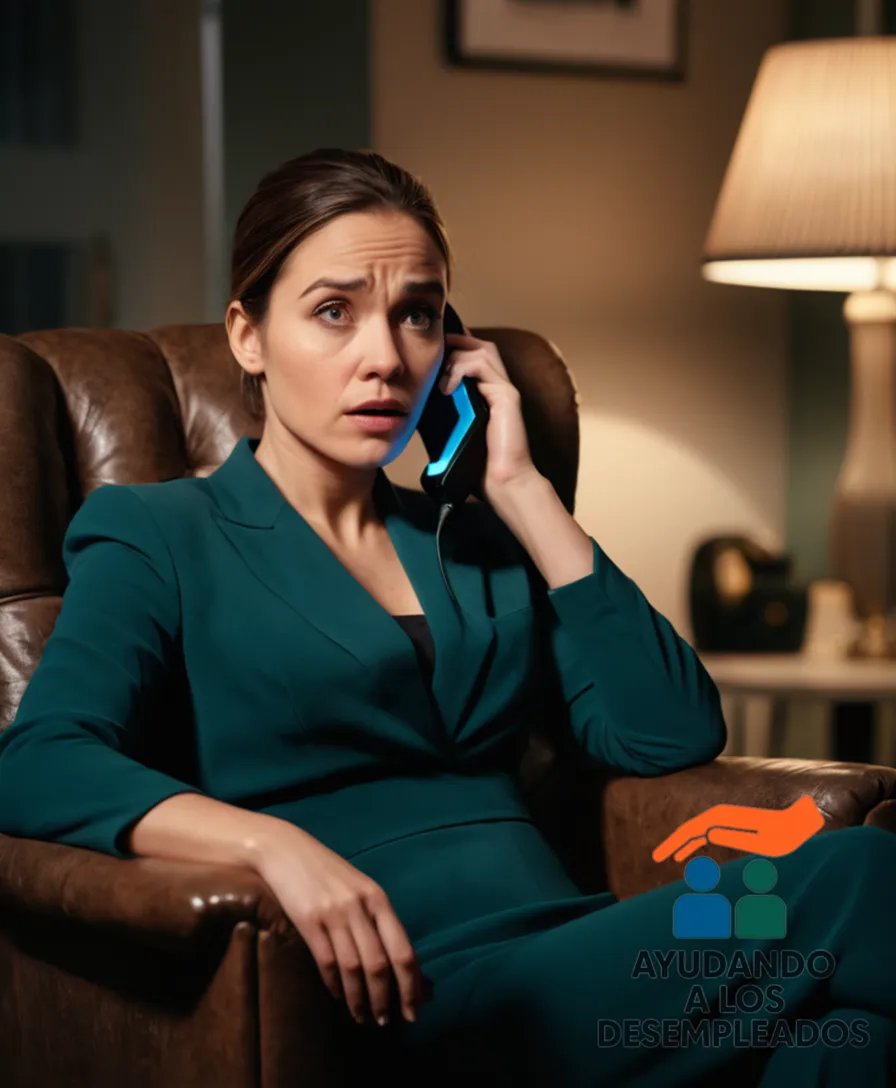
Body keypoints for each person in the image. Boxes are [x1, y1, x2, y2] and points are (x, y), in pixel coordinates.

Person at [0, 147, 894, 1087]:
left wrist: (516, 483)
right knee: (863, 875)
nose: (384, 357)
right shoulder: (160, 532)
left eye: (416, 316)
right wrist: (269, 843)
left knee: (842, 1049)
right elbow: (39, 762)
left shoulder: (471, 540)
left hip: (576, 960)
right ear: (248, 336)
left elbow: (667, 729)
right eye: (333, 312)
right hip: (400, 997)